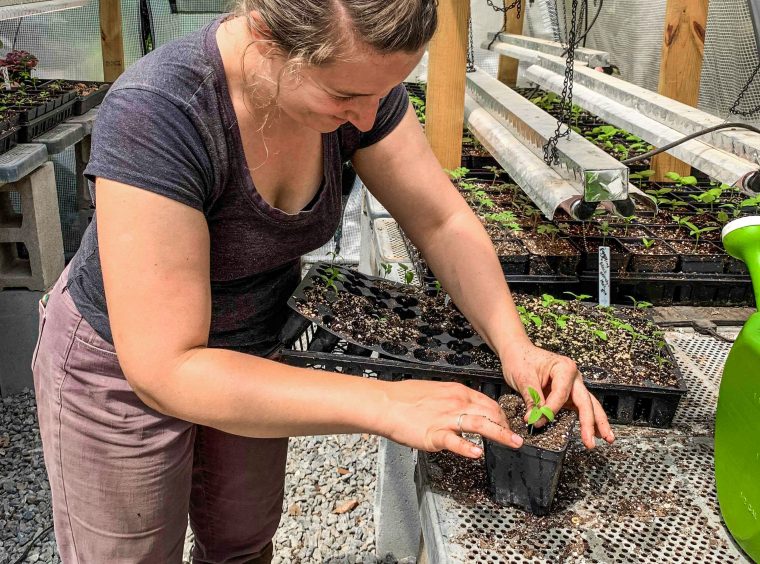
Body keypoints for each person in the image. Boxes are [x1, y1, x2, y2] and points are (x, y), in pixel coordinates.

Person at [31, 1, 614, 562]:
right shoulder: (161, 110)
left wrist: (515, 347)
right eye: (345, 95)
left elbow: (441, 220)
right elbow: (166, 368)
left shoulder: (361, 88)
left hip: (252, 343)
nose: (367, 119)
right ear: (264, 37)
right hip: (120, 365)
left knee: (242, 541)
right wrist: (385, 402)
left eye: (383, 92)